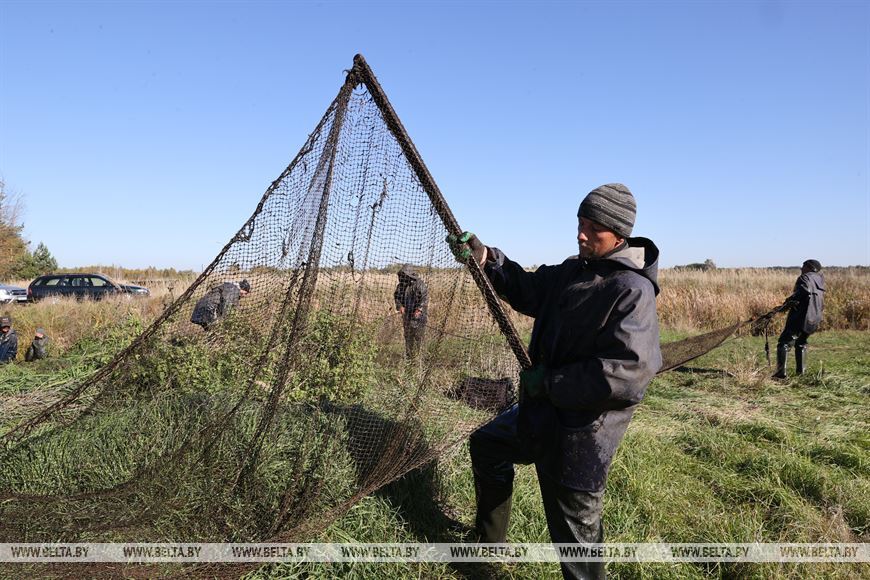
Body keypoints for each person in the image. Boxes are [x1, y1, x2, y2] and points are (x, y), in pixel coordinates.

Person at [449, 183, 661, 580]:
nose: (581, 233)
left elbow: (629, 372)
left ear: (619, 234)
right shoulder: (571, 271)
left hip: (582, 435)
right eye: (580, 223)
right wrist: (486, 258)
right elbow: (528, 289)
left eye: (593, 228)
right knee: (487, 444)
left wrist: (549, 382)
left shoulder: (631, 290)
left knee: (576, 544)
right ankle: (488, 548)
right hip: (538, 415)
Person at [773, 260, 825, 378]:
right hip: (814, 317)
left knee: (784, 343)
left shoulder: (804, 278)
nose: (801, 269)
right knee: (801, 343)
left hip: (801, 317)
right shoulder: (819, 280)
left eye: (803, 266)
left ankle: (781, 373)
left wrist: (786, 304)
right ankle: (801, 373)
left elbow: (803, 292)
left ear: (809, 267)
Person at [393, 265, 429, 358]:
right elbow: (397, 297)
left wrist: (419, 310)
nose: (404, 277)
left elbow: (424, 299)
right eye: (402, 275)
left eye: (405, 275)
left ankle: (422, 358)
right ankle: (410, 357)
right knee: (408, 337)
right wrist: (400, 306)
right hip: (407, 315)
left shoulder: (420, 284)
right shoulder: (401, 286)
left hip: (419, 316)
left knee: (419, 337)